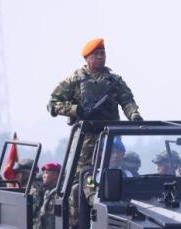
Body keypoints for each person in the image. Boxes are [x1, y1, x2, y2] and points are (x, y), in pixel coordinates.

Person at [48, 38, 143, 174]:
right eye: (96, 54)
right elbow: (53, 104)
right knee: (81, 175)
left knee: (110, 173)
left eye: (102, 53)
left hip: (110, 136)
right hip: (84, 137)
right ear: (87, 58)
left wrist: (134, 115)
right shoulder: (74, 80)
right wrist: (75, 110)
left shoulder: (114, 80)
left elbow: (127, 101)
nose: (100, 57)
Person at [35, 162, 62, 229]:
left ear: (55, 175)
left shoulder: (60, 194)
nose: (43, 175)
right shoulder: (46, 192)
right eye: (43, 173)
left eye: (46, 173)